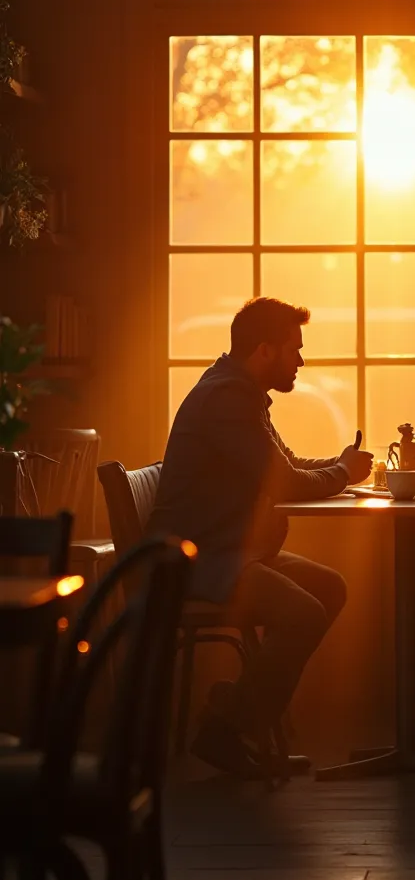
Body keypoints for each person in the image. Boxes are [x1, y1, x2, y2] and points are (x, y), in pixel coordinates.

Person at [147, 296, 373, 776]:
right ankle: (226, 730)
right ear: (265, 351)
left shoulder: (241, 393)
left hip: (230, 549)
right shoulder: (227, 400)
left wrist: (340, 467)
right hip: (196, 558)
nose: (302, 361)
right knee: (303, 611)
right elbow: (285, 482)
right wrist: (341, 475)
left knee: (329, 587)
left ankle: (242, 716)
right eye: (295, 349)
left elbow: (285, 467)